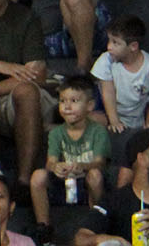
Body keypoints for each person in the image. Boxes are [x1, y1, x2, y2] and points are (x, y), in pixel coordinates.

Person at [31, 76, 111, 227]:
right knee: (38, 176)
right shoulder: (56, 133)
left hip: (87, 182)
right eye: (62, 101)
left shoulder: (98, 131)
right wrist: (57, 167)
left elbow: (100, 163)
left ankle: (97, 224)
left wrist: (82, 166)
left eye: (74, 101)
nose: (67, 106)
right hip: (65, 182)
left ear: (90, 105)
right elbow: (50, 162)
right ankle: (43, 228)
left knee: (95, 175)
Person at [92, 14, 149, 135]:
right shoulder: (106, 60)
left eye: (115, 43)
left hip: (141, 121)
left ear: (133, 46)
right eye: (109, 41)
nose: (109, 47)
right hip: (110, 115)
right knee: (88, 119)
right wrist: (114, 121)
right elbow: (108, 92)